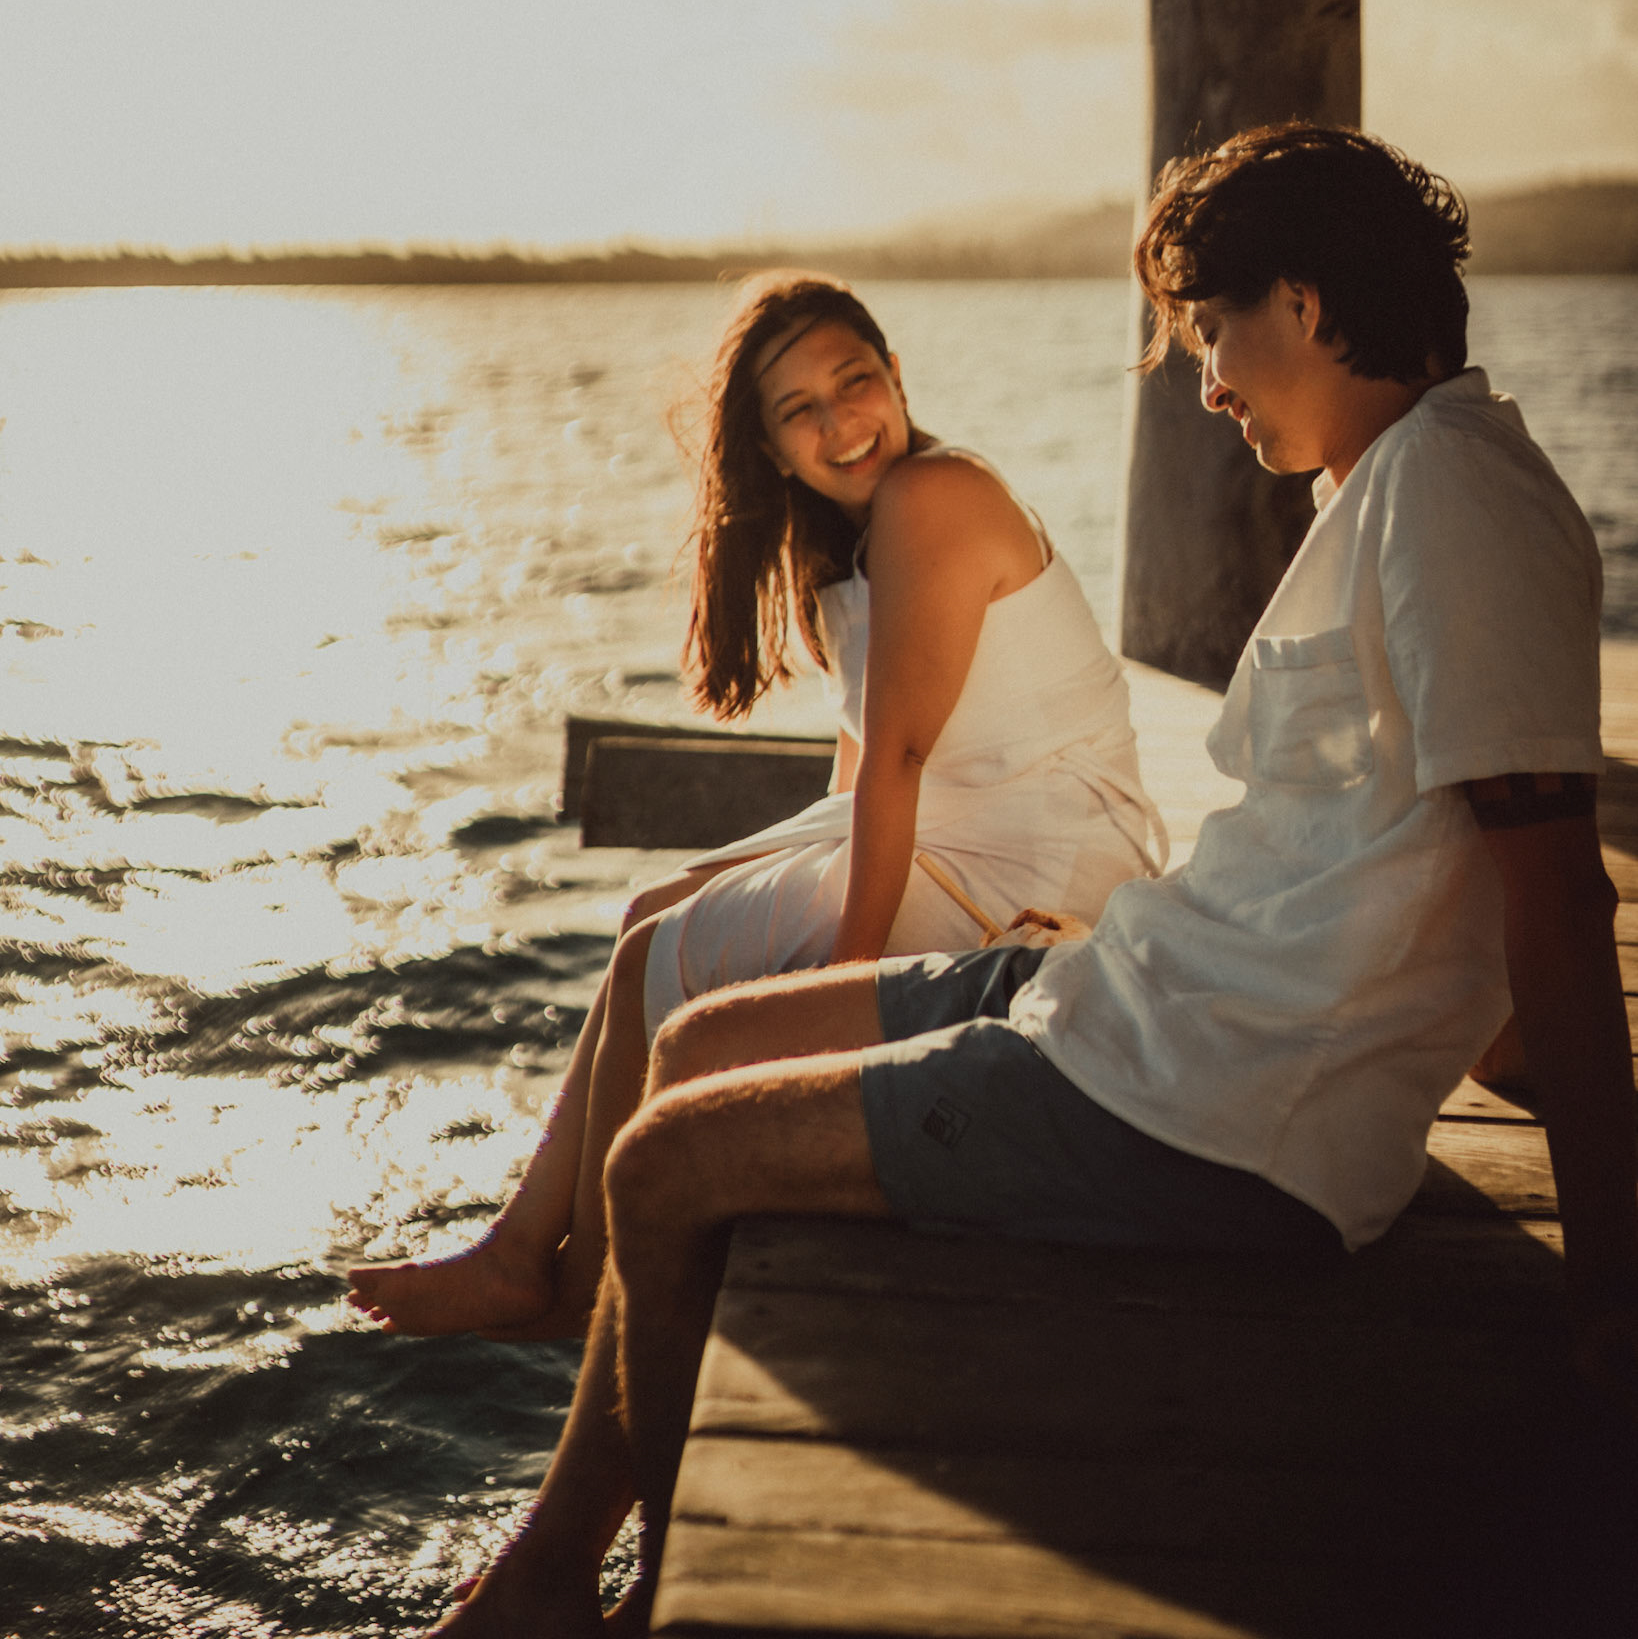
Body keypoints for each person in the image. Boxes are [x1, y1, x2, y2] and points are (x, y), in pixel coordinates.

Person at [418, 123, 1636, 1639]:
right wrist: (1477, 1035)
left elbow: (1554, 892)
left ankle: (602, 1588)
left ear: (1305, 307)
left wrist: (1609, 1281)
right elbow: (1425, 868)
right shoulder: (1385, 486)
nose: (1204, 378)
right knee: (685, 1050)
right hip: (1128, 989)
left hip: (1200, 1106)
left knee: (666, 1165)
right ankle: (555, 1565)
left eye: (1210, 329)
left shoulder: (1458, 503)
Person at [349, 272, 1160, 1340]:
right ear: (771, 449)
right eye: (800, 409)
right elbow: (859, 764)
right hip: (971, 832)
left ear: (897, 375)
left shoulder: (935, 496)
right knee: (653, 912)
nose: (840, 421)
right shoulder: (853, 546)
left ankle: (581, 1288)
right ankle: (520, 1248)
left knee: (653, 961)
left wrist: (846, 980)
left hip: (1040, 863)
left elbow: (899, 763)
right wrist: (759, 892)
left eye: (856, 381)